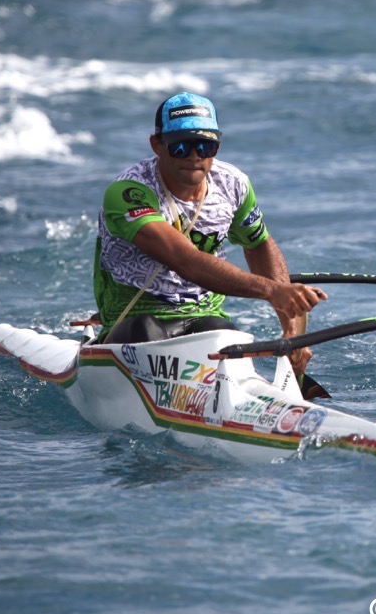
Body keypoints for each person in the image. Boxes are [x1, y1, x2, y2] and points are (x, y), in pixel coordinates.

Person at [93, 92, 327, 392]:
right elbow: (186, 262)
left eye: (206, 146)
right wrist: (271, 291)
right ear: (157, 145)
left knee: (223, 333)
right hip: (136, 317)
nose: (194, 155)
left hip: (203, 317)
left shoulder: (232, 184)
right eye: (181, 145)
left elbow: (258, 245)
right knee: (144, 330)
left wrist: (292, 333)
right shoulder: (129, 193)